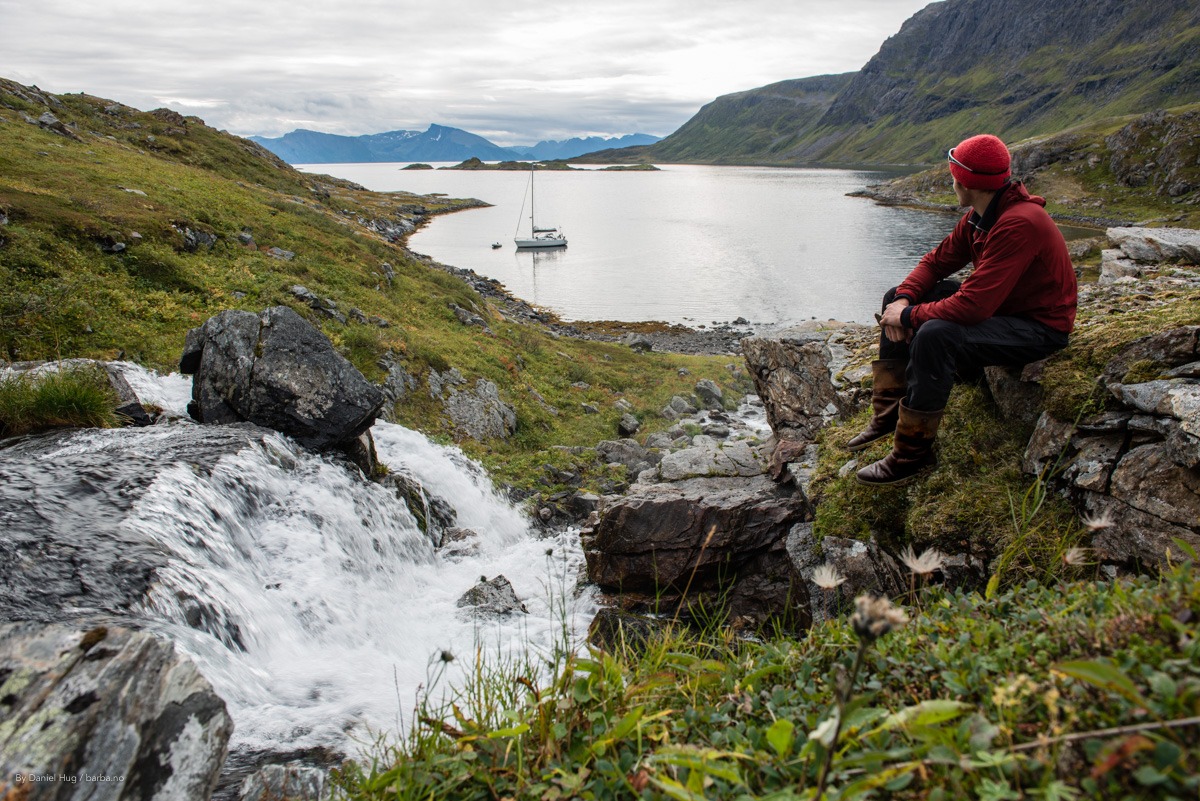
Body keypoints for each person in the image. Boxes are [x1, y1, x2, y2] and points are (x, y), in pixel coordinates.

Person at [851, 134, 1077, 486]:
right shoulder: (979, 217)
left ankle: (912, 454)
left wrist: (908, 317)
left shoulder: (1019, 223)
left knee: (936, 334)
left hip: (1038, 327)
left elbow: (973, 306)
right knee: (897, 294)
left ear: (968, 181)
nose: (951, 180)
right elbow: (936, 263)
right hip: (1003, 311)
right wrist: (902, 301)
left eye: (954, 174)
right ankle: (887, 416)